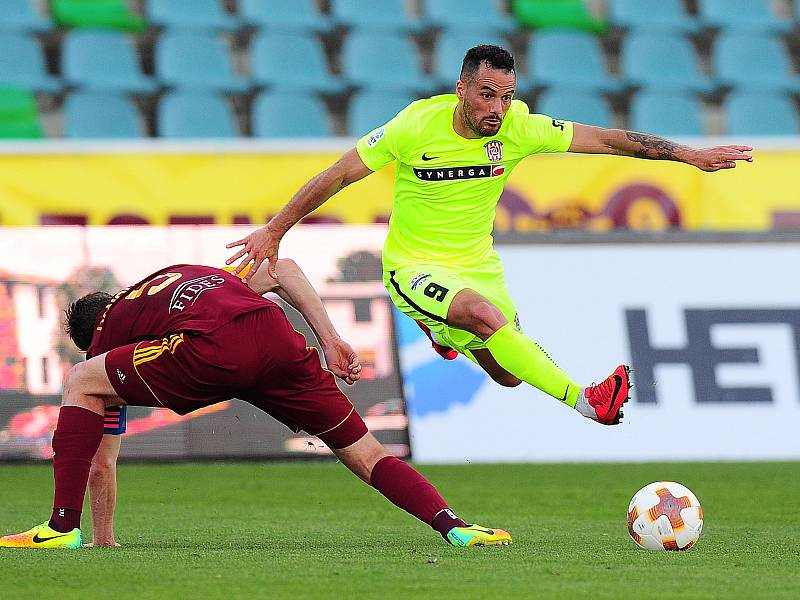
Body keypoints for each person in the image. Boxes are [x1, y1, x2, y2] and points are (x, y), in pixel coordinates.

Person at [225, 45, 753, 425]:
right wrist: (275, 231)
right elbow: (338, 175)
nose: (496, 108)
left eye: (505, 95)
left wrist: (690, 156)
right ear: (460, 91)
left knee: (507, 375)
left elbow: (608, 138)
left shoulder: (519, 128)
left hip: (478, 265)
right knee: (484, 316)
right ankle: (587, 398)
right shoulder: (414, 126)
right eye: (485, 94)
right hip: (414, 266)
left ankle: (445, 334)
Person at [0, 259, 510, 549]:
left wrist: (99, 535)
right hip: (279, 342)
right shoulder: (187, 275)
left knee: (78, 381)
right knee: (369, 455)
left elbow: (102, 458)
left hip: (213, 350)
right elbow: (284, 269)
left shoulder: (107, 336)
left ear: (95, 331)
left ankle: (60, 528)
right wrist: (329, 338)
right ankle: (457, 528)